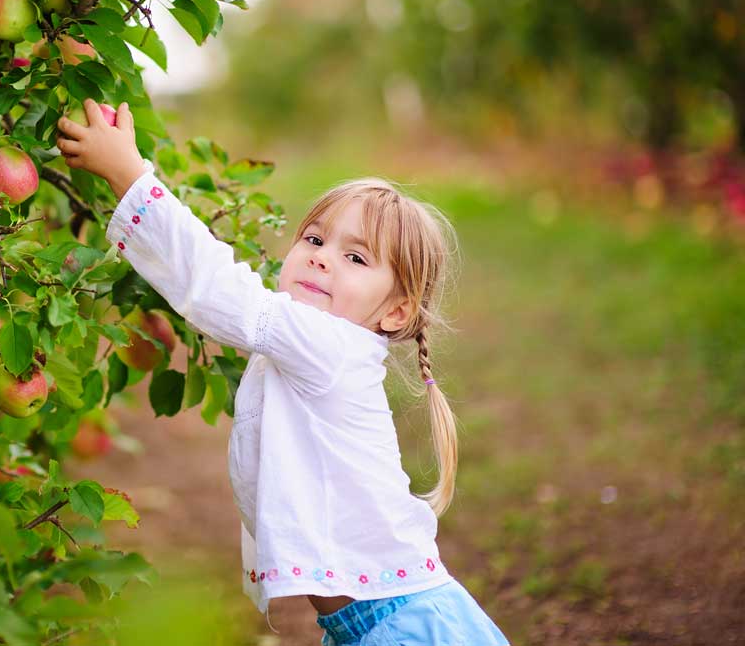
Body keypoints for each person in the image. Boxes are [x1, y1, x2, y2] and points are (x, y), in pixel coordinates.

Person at [55, 99, 510, 646]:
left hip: (405, 626)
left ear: (396, 312)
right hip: (370, 622)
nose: (321, 258)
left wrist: (129, 174)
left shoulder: (332, 347)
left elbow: (218, 287)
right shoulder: (309, 347)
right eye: (315, 240)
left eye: (356, 258)